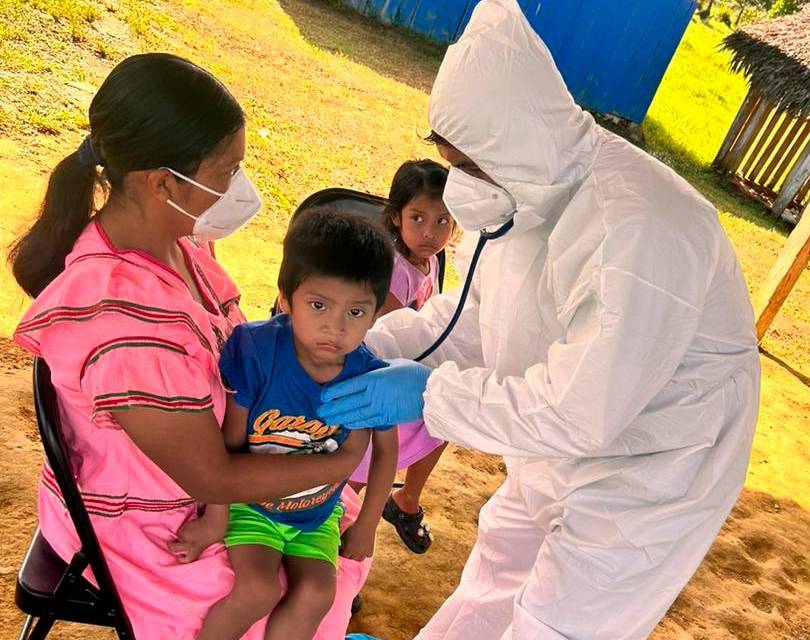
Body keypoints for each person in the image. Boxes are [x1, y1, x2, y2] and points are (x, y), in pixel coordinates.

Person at [315, 1, 762, 639]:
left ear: (517, 144)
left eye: (469, 166)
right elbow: (468, 318)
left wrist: (429, 394)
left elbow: (579, 411)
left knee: (559, 622)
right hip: (553, 434)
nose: (459, 187)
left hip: (653, 458)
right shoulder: (523, 195)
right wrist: (368, 345)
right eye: (449, 163)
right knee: (497, 571)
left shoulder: (636, 229)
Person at [10, 53, 372, 640]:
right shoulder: (122, 322)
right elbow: (212, 479)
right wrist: (336, 464)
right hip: (152, 518)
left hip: (197, 474)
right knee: (290, 593)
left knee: (320, 550)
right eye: (227, 171)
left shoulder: (179, 246)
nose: (239, 187)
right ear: (161, 183)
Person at [164, 208, 398, 639]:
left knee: (316, 595)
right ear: (286, 297)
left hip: (318, 514)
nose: (335, 326)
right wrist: (215, 520)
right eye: (318, 305)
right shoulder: (255, 351)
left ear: (377, 312)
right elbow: (230, 442)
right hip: (252, 506)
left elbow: (387, 450)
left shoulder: (370, 378)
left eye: (356, 312)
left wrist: (366, 524)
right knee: (257, 589)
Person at [349, 159, 459, 554]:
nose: (430, 232)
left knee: (446, 418)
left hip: (399, 373)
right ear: (396, 217)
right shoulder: (394, 267)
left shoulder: (427, 260)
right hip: (370, 379)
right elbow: (397, 331)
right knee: (357, 471)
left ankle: (405, 500)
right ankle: (340, 536)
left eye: (443, 221)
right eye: (418, 218)